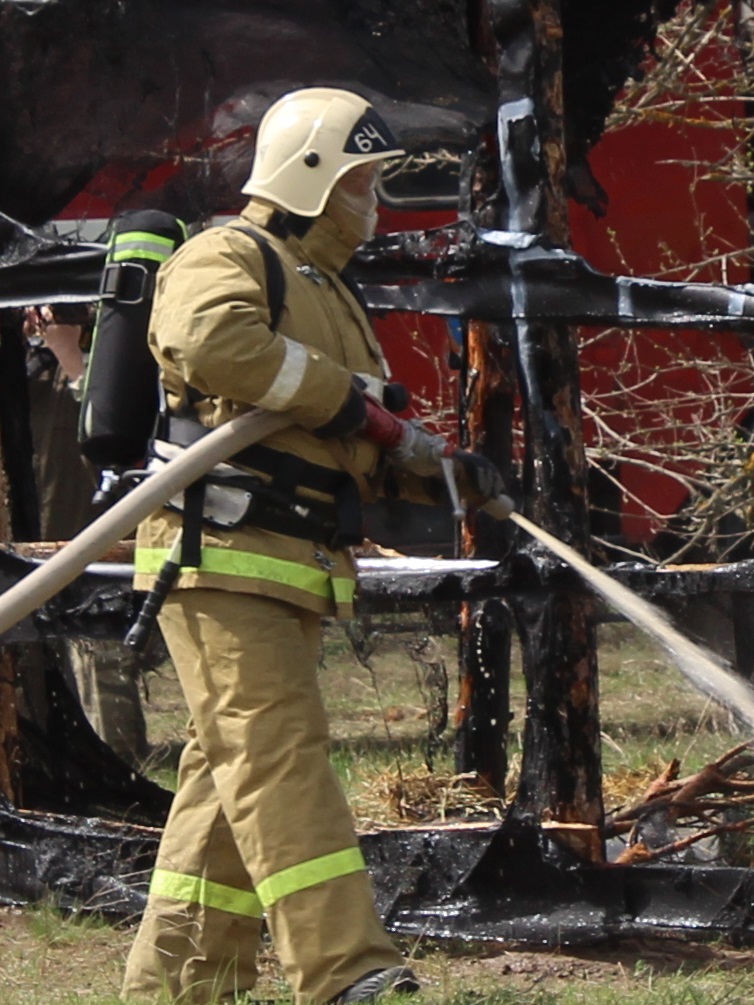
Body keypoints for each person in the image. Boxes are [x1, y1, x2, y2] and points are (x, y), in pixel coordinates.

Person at [122, 87, 506, 1005]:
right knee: (280, 758)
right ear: (313, 178)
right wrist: (349, 401)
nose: (373, 201)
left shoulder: (326, 291)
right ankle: (348, 973)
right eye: (362, 181)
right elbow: (211, 340)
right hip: (219, 554)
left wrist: (439, 472)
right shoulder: (229, 253)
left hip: (290, 564)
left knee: (229, 780)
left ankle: (177, 986)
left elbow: (345, 433)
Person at [23, 304, 149, 768]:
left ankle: (121, 777)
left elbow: (110, 426)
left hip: (91, 556)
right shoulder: (23, 373)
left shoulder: (100, 367)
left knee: (102, 669)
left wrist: (67, 352)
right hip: (23, 556)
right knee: (27, 678)